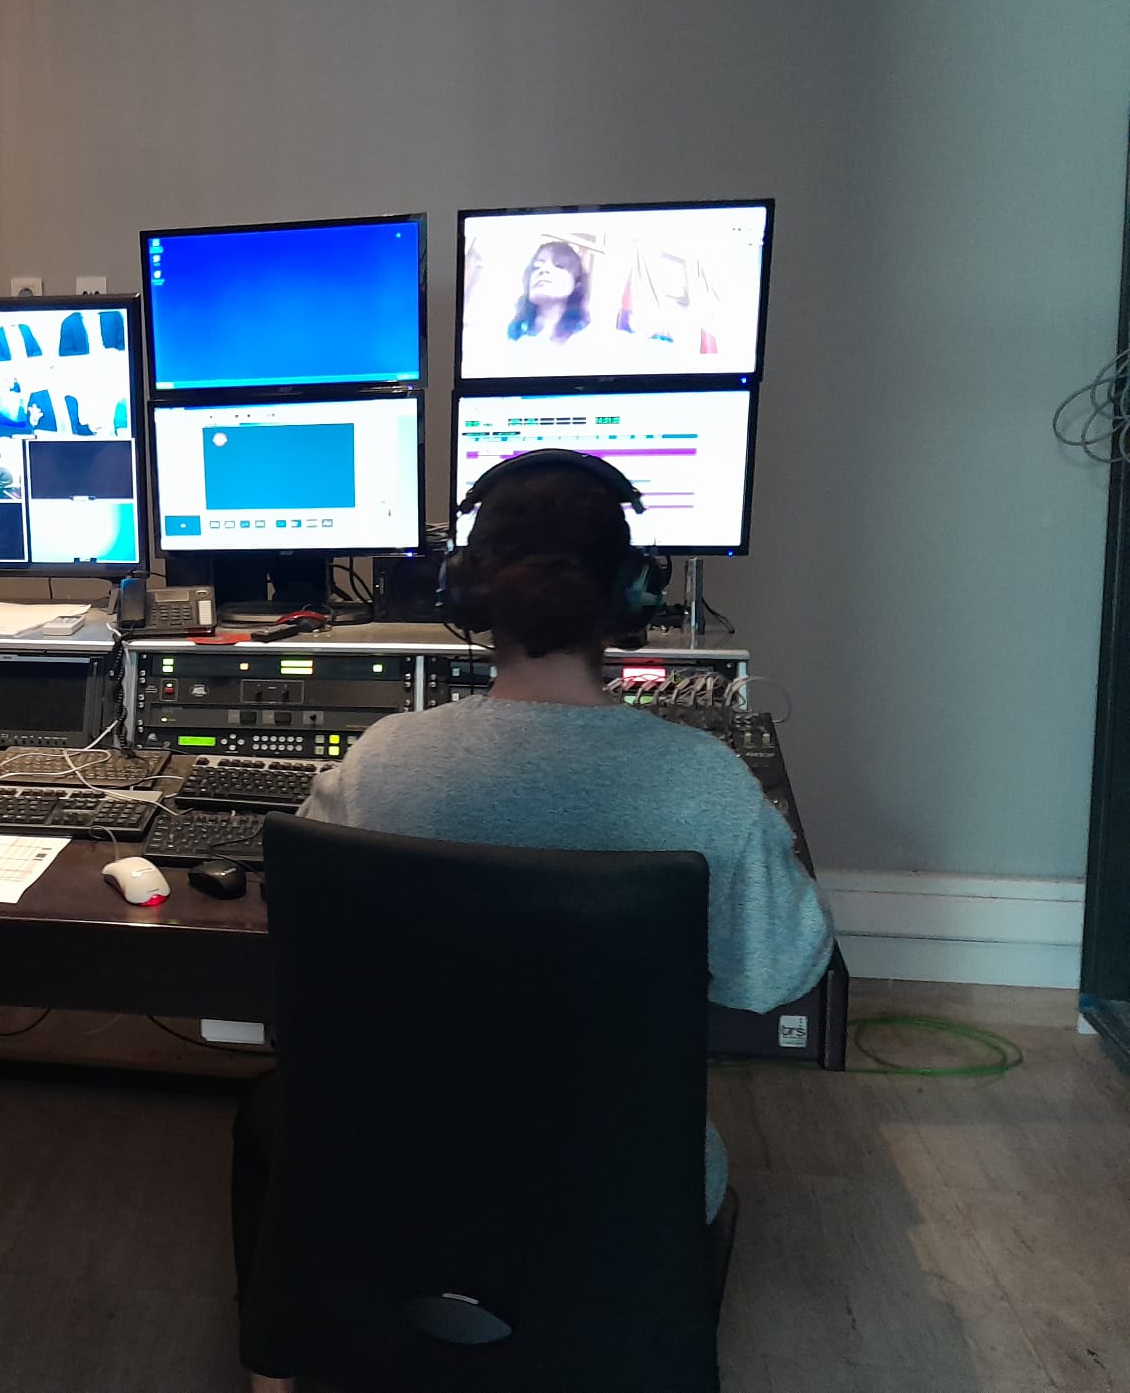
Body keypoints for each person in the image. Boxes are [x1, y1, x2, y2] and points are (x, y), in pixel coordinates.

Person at [230, 452, 833, 1393]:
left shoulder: (382, 759)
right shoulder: (704, 783)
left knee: (268, 1109)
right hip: (617, 1189)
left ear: (466, 594)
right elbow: (774, 976)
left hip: (390, 1168)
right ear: (634, 591)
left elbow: (304, 927)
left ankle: (283, 1368)